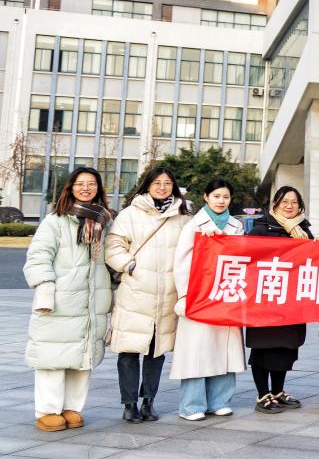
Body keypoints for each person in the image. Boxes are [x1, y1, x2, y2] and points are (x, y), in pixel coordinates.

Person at [24, 167, 114, 432]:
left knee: (83, 356)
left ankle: (72, 407)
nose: (86, 188)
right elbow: (38, 256)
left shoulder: (105, 222)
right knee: (52, 356)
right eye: (80, 183)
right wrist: (45, 288)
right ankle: (48, 410)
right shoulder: (55, 221)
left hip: (92, 300)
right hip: (60, 301)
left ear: (99, 188)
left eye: (91, 183)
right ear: (70, 188)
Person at [105, 166, 190, 423]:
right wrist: (129, 265)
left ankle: (148, 401)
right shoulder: (130, 214)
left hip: (167, 295)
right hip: (136, 292)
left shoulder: (183, 217)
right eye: (157, 183)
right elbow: (113, 246)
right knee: (129, 351)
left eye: (167, 183)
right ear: (147, 186)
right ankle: (129, 403)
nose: (162, 187)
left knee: (157, 351)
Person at [171, 179, 246, 421]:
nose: (221, 201)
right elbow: (182, 263)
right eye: (216, 196)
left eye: (225, 197)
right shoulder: (193, 225)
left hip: (225, 295)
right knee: (197, 351)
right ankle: (191, 405)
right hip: (199, 297)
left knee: (224, 350)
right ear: (206, 197)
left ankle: (220, 401)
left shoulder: (236, 225)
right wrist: (185, 295)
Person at [244, 186, 312, 413]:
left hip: (292, 301)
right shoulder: (261, 229)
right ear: (275, 204)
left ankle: (278, 391)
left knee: (285, 348)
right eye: (285, 202)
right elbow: (247, 259)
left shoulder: (304, 231)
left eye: (294, 202)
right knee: (263, 348)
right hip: (266, 300)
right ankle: (263, 394)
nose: (289, 206)